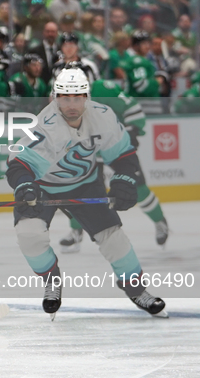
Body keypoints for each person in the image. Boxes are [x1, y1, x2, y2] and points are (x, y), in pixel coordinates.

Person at [5, 66, 167, 318]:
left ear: (86, 96)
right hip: (43, 188)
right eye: (65, 98)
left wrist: (124, 179)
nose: (71, 104)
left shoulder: (103, 116)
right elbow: (19, 165)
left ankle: (137, 292)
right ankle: (52, 282)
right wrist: (25, 185)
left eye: (77, 97)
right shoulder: (44, 125)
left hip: (85, 183)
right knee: (29, 235)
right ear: (55, 97)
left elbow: (124, 154)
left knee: (114, 237)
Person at [60, 76, 169, 252]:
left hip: (115, 145)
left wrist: (132, 130)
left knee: (137, 187)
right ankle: (76, 231)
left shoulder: (103, 88)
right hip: (89, 150)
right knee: (80, 189)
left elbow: (131, 106)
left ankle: (160, 221)